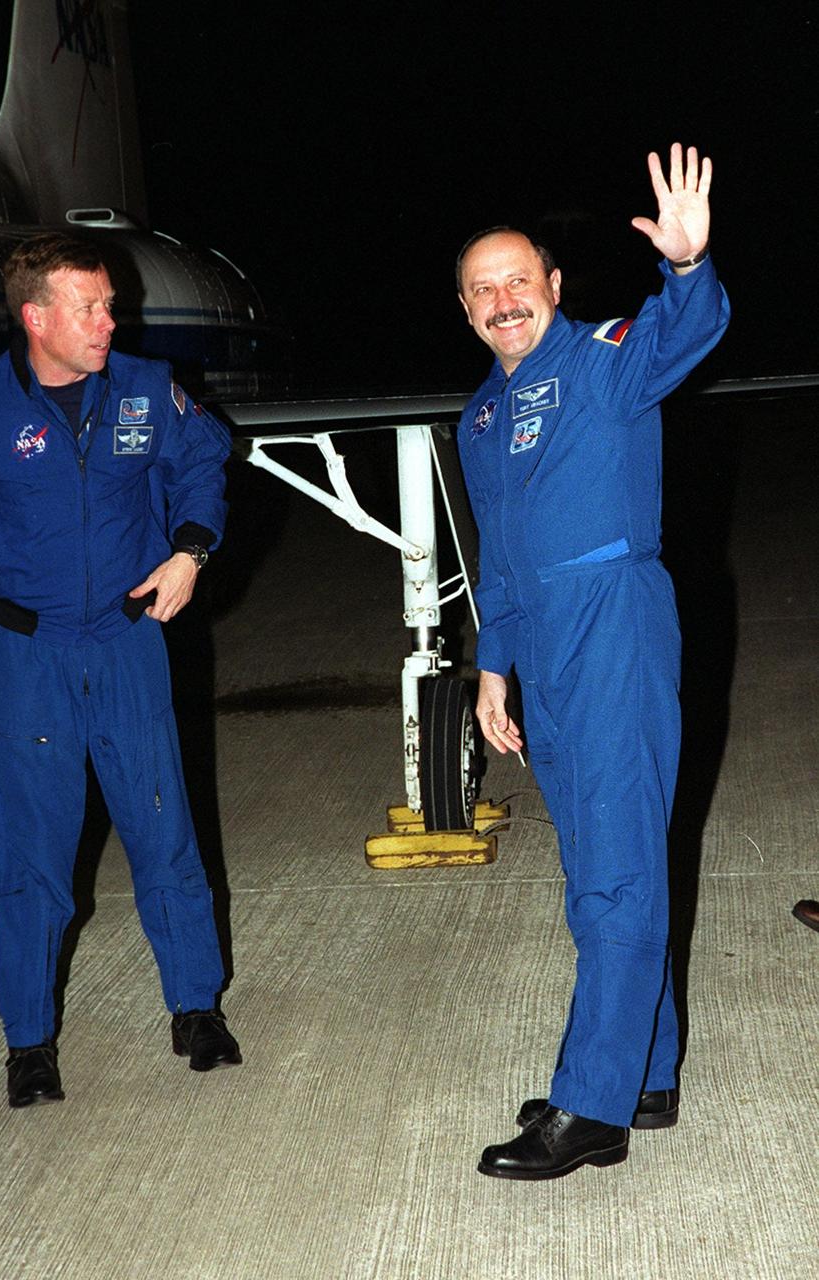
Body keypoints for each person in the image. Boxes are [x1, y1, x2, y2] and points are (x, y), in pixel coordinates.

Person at [455, 145, 730, 1180]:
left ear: (554, 285)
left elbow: (686, 330)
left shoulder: (606, 361)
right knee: (600, 864)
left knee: (615, 872)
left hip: (613, 623)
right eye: (482, 290)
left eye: (517, 280)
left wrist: (686, 265)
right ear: (466, 310)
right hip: (542, 644)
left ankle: (591, 1105)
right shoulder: (479, 418)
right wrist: (494, 666)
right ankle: (644, 1075)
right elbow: (498, 555)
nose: (503, 301)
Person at [0, 233, 241, 1108]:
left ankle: (196, 1008)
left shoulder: (146, 387)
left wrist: (190, 550)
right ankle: (29, 1041)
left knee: (163, 830)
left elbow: (204, 460)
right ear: (35, 318)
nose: (110, 322)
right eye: (90, 308)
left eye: (109, 305)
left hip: (126, 642)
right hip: (29, 654)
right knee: (32, 851)